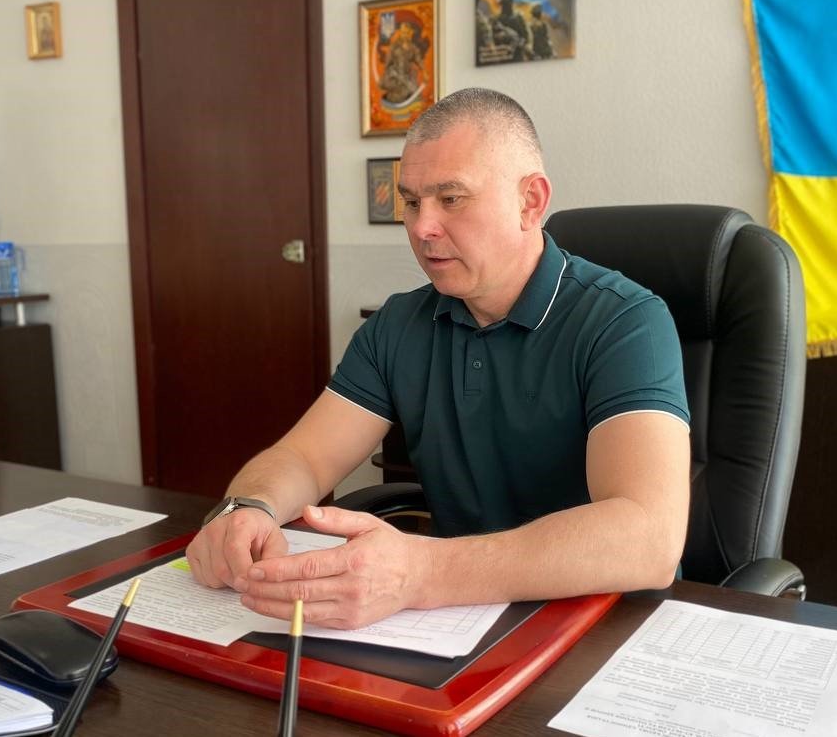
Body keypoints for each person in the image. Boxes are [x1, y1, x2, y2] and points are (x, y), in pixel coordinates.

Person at [187, 88, 691, 629]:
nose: (421, 227)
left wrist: (419, 572)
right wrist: (249, 508)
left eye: (451, 199)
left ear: (530, 202)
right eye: (411, 202)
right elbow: (304, 459)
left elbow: (648, 537)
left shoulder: (625, 322)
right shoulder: (398, 324)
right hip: (455, 619)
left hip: (605, 625)